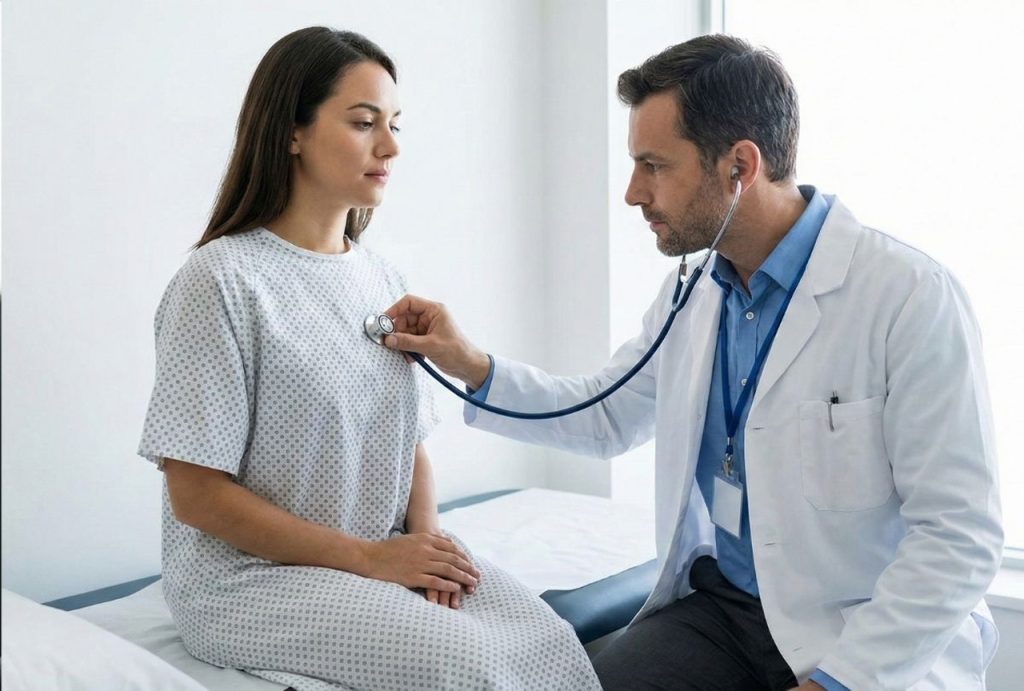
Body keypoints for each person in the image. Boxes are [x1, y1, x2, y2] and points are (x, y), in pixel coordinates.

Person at [383, 34, 1003, 690]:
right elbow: (606, 413)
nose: (631, 193)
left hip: (862, 632)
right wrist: (470, 363)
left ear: (739, 166)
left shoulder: (906, 297)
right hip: (725, 614)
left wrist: (838, 682)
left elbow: (959, 535)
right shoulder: (693, 294)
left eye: (654, 165)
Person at [138, 26, 600, 691]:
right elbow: (197, 495)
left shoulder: (381, 278)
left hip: (378, 552)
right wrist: (373, 558)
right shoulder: (219, 282)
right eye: (363, 123)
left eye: (395, 125)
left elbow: (407, 444)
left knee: (547, 641)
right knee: (464, 662)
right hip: (249, 581)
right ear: (291, 131)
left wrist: (429, 550)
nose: (390, 147)